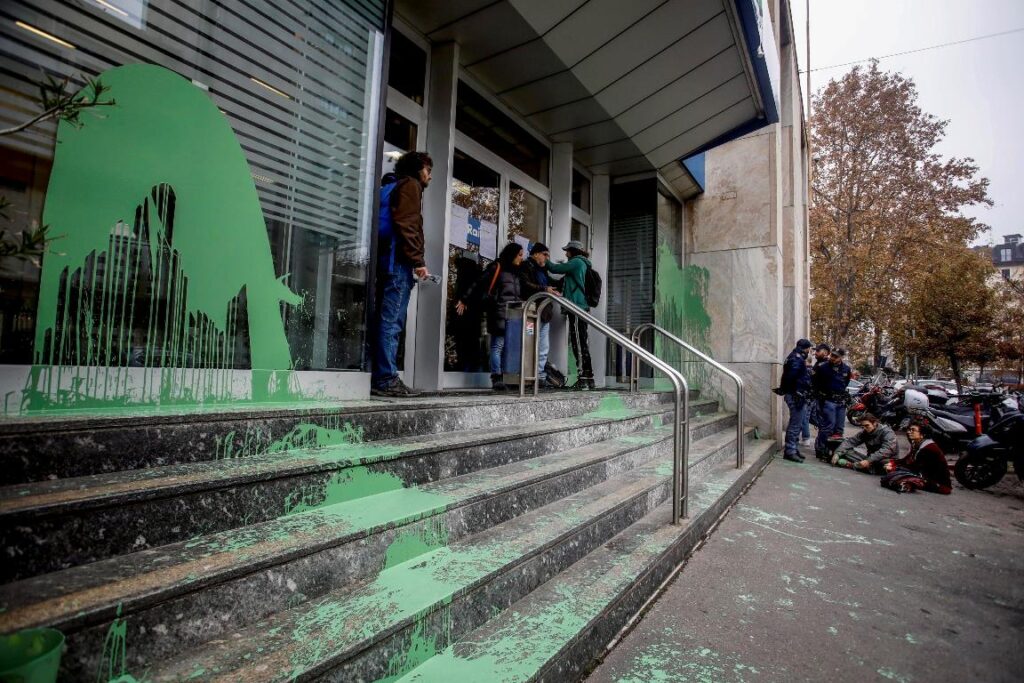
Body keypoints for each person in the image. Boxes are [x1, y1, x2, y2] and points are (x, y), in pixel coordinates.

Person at [372, 152, 431, 397]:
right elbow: (407, 223)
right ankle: (386, 379)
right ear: (418, 169)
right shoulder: (410, 186)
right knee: (392, 322)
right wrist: (418, 261)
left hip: (386, 261)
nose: (430, 176)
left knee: (384, 320)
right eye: (428, 170)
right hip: (398, 264)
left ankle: (378, 375)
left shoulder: (392, 186)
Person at [455, 242, 524, 390]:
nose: (521, 258)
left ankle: (508, 378)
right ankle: (496, 378)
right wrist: (464, 299)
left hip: (513, 316)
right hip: (498, 312)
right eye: (519, 255)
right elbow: (478, 283)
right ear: (512, 254)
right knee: (497, 346)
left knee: (508, 347)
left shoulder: (516, 273)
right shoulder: (496, 267)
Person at [546, 240, 594, 390]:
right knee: (581, 342)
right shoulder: (581, 264)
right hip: (579, 307)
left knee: (578, 343)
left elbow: (554, 268)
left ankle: (583, 378)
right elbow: (559, 281)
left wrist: (544, 260)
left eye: (567, 251)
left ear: (572, 251)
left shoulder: (576, 262)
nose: (566, 253)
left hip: (577, 308)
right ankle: (588, 378)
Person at [518, 242, 561, 388]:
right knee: (529, 345)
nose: (547, 258)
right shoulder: (526, 266)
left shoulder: (542, 271)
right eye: (545, 254)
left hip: (544, 313)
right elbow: (525, 285)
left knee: (543, 347)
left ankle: (540, 376)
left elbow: (552, 284)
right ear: (536, 254)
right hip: (532, 312)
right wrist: (545, 289)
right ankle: (528, 377)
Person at [881, 422, 952, 494]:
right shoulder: (916, 443)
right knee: (885, 463)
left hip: (936, 482)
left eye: (913, 430)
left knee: (896, 478)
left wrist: (895, 467)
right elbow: (906, 459)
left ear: (922, 434)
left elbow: (916, 468)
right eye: (909, 430)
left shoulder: (929, 448)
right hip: (920, 473)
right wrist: (893, 463)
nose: (909, 432)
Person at [813, 347, 852, 459]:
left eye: (836, 356)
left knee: (839, 428)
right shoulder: (823, 367)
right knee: (828, 426)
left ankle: (834, 450)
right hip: (828, 400)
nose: (832, 358)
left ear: (841, 357)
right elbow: (815, 383)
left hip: (840, 401)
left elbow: (846, 382)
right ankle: (821, 449)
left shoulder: (846, 369)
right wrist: (820, 397)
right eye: (832, 355)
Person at [779, 338, 813, 462]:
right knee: (795, 424)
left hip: (795, 394)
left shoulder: (795, 357)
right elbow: (791, 377)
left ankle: (793, 448)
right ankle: (790, 450)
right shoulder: (797, 358)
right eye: (809, 349)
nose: (809, 351)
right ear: (806, 348)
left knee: (796, 423)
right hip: (796, 395)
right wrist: (796, 391)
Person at [831, 413, 899, 473]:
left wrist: (869, 460)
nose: (865, 428)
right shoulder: (865, 432)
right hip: (870, 460)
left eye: (867, 426)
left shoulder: (887, 432)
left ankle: (854, 465)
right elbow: (850, 442)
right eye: (863, 427)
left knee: (884, 464)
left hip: (885, 460)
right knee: (846, 451)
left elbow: (887, 450)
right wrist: (837, 452)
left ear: (874, 423)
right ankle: (861, 466)